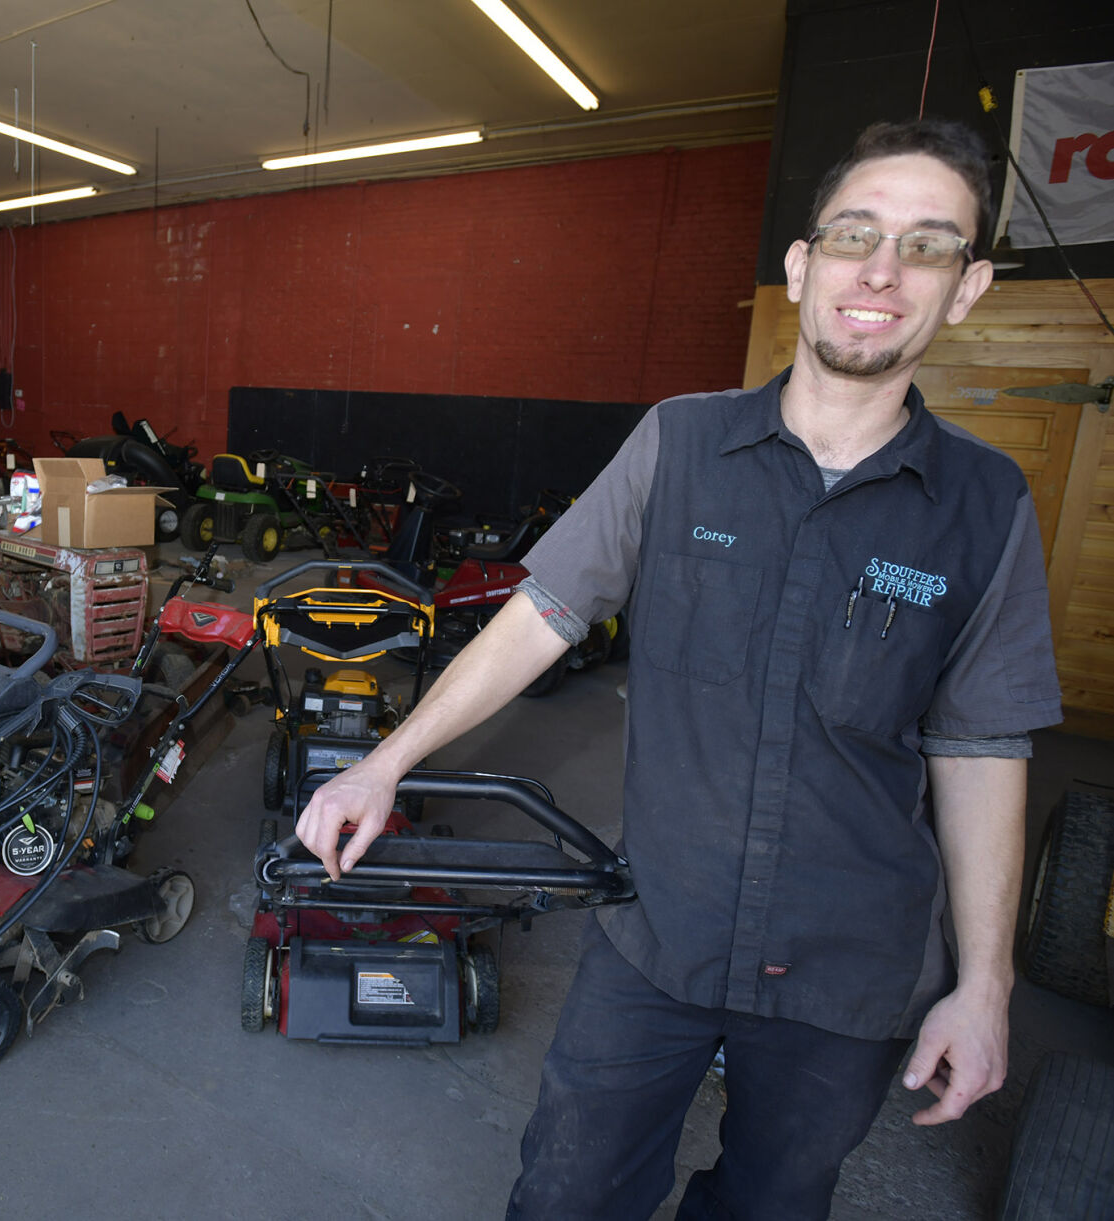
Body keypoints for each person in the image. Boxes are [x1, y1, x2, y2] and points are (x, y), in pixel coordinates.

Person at [295, 117, 1063, 1220]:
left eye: (927, 246)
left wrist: (984, 986)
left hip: (847, 968)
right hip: (657, 927)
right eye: (854, 234)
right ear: (801, 266)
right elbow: (541, 615)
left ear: (967, 287)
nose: (881, 271)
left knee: (768, 1201)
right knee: (566, 1194)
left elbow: (980, 744)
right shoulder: (678, 442)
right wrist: (384, 764)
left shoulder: (985, 505)